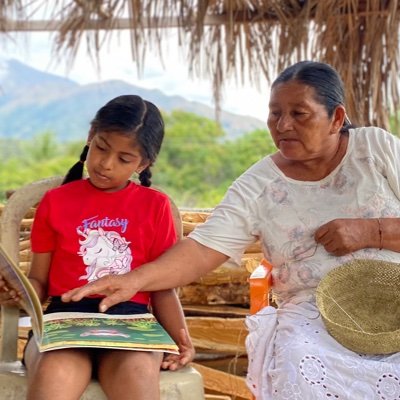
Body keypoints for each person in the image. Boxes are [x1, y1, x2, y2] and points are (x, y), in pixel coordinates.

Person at [63, 61, 400, 399]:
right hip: (314, 316)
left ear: (336, 118)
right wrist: (132, 281)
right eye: (274, 114)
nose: (283, 125)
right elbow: (201, 249)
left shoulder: (375, 149)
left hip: (396, 300)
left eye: (299, 113)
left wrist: (375, 232)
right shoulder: (258, 184)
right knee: (299, 358)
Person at [0, 95, 194, 400]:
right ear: (91, 136)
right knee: (55, 374)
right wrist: (19, 291)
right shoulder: (55, 202)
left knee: (137, 375)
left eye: (124, 158)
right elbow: (39, 279)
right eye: (102, 148)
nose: (105, 164)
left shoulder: (155, 207)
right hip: (63, 320)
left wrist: (181, 338)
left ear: (143, 163)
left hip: (131, 325)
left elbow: (162, 286)